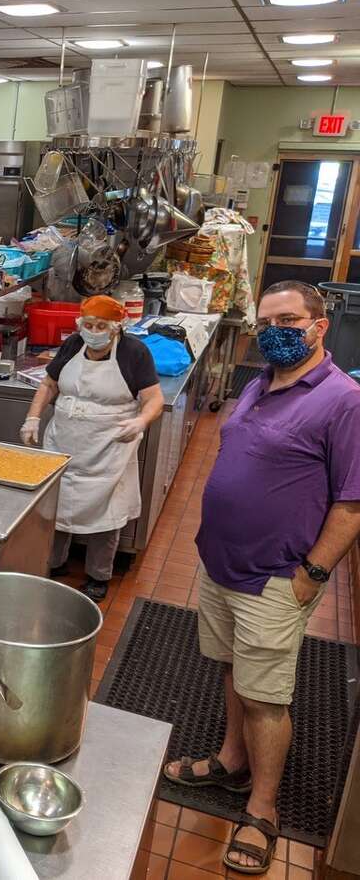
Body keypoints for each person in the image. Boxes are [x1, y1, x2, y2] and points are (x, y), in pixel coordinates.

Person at [164, 281, 360, 874]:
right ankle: (231, 759)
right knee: (231, 670)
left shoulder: (343, 400)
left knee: (266, 697)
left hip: (277, 576)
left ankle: (264, 808)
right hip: (222, 562)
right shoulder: (258, 384)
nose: (275, 329)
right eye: (266, 320)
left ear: (319, 325)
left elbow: (351, 504)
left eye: (289, 319)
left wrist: (311, 574)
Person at [19, 295, 163, 601]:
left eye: (100, 326)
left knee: (105, 511)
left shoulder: (134, 353)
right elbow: (49, 384)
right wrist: (33, 417)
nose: (93, 331)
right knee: (54, 505)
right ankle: (53, 563)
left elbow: (154, 400)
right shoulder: (73, 345)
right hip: (65, 441)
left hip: (108, 447)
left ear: (115, 328)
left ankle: (98, 575)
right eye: (88, 324)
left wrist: (140, 422)